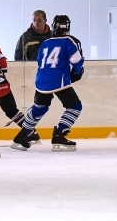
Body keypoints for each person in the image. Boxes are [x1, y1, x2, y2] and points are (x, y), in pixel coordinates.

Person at [12, 15, 84, 152]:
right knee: (75, 106)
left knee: (40, 107)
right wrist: (76, 73)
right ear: (67, 26)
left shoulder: (45, 42)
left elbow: (40, 63)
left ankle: (21, 137)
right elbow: (77, 61)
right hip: (59, 81)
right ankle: (59, 135)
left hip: (41, 81)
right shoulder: (69, 41)